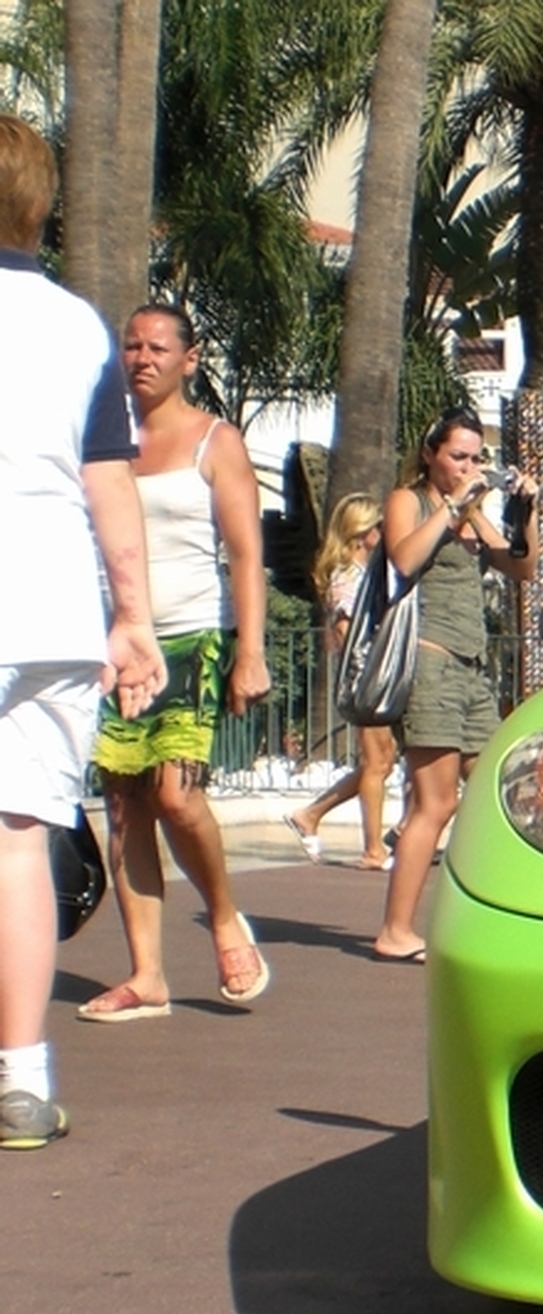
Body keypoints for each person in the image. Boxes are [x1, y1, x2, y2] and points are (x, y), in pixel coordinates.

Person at [0, 115, 165, 1146]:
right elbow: (110, 483)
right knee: (20, 844)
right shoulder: (78, 328)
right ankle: (21, 1075)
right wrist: (134, 617)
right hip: (54, 606)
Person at [77, 303, 273, 1024]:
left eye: (158, 346)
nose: (142, 357)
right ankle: (146, 974)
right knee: (125, 808)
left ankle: (223, 917)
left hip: (194, 637)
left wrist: (250, 652)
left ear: (189, 360)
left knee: (175, 795)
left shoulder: (214, 442)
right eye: (131, 345)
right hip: (120, 646)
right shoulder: (103, 440)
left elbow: (248, 554)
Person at [372, 407, 540, 962]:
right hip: (430, 663)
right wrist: (452, 506)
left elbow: (521, 568)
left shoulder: (473, 513)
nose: (468, 466)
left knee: (503, 791)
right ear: (430, 454)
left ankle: (498, 916)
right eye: (457, 456)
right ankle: (396, 929)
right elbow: (404, 557)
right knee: (435, 803)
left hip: (472, 671)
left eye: (475, 457)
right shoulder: (412, 500)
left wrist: (524, 512)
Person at [284, 493, 399, 868]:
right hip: (365, 674)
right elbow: (347, 628)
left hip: (374, 671)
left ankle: (312, 814)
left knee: (382, 759)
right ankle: (372, 848)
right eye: (377, 526)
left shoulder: (366, 574)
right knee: (376, 761)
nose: (383, 532)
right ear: (361, 532)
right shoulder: (347, 576)